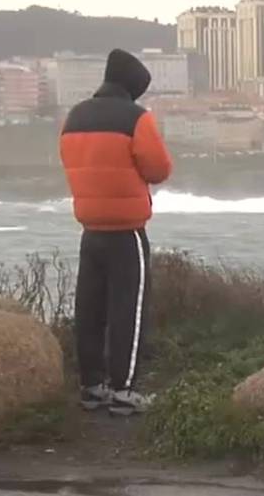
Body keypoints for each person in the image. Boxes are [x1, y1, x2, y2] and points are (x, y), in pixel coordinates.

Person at [59, 48, 172, 416]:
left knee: (90, 309)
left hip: (90, 228)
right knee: (129, 309)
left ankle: (92, 387)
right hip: (127, 231)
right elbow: (158, 169)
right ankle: (124, 391)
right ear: (133, 86)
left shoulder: (74, 117)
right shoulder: (137, 119)